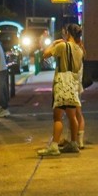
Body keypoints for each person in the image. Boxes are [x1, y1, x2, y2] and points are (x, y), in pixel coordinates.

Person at [37, 24, 84, 156]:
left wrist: (53, 43)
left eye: (64, 33)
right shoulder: (80, 50)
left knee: (57, 117)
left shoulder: (63, 46)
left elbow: (45, 55)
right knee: (72, 116)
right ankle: (74, 143)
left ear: (68, 33)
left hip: (62, 83)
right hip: (73, 85)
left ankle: (54, 146)